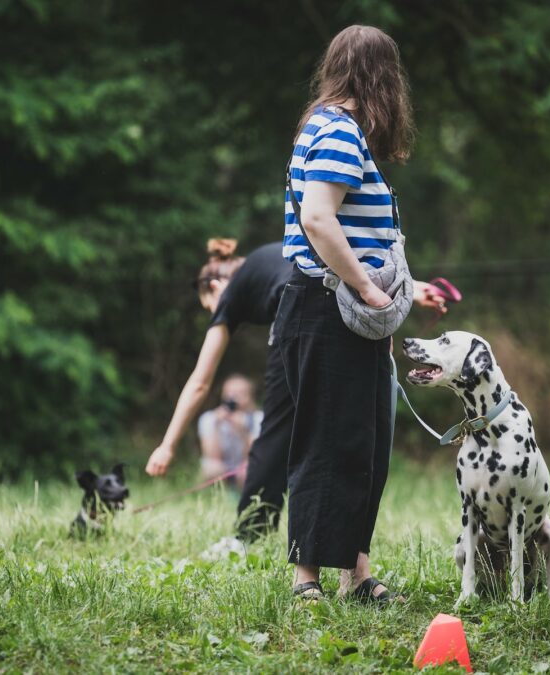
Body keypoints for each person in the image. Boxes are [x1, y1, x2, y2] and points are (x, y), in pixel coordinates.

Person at [145, 237, 446, 544]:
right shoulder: (267, 257)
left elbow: (200, 381)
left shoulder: (229, 293)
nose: (216, 312)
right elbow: (330, 258)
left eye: (209, 307)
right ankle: (345, 543)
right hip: (339, 304)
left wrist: (167, 445)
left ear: (213, 287)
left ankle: (249, 536)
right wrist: (414, 286)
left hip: (302, 313)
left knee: (277, 428)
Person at [275, 25, 417, 604]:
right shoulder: (335, 131)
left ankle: (356, 574)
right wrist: (367, 289)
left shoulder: (341, 132)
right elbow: (318, 219)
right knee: (327, 443)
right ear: (381, 77)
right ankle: (306, 581)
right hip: (324, 307)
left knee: (365, 444)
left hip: (347, 317)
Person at [197, 374, 262, 490]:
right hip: (222, 466)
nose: (234, 398)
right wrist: (217, 426)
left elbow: (255, 456)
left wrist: (243, 431)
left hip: (244, 467)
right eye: (230, 393)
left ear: (250, 396)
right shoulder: (210, 418)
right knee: (212, 468)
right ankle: (218, 498)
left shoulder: (258, 419)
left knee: (248, 470)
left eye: (240, 393)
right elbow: (211, 456)